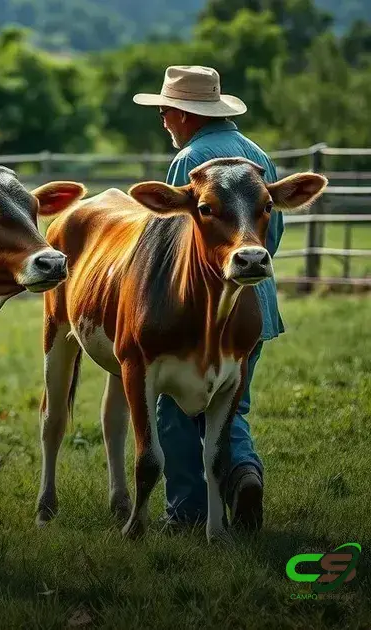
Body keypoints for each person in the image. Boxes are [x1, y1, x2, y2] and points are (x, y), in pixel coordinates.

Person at [133, 65, 273, 531]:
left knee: (174, 410)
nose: (164, 121)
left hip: (196, 309)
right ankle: (244, 474)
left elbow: (174, 240)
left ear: (184, 114)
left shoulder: (193, 161)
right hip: (254, 305)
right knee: (231, 402)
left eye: (166, 112)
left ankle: (187, 511)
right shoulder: (256, 156)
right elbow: (271, 232)